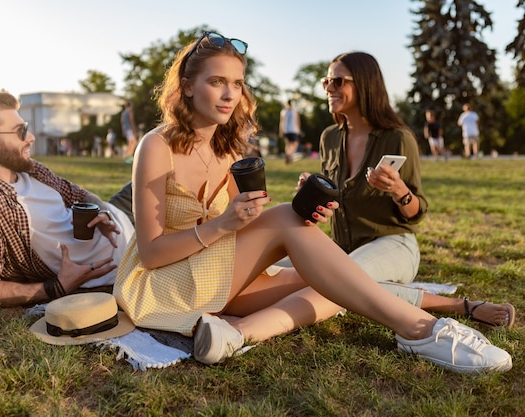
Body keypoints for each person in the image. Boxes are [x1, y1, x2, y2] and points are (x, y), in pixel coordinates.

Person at [113, 32, 512, 373]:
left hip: (214, 276)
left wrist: (291, 221)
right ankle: (420, 332)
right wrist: (227, 224)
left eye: (237, 83)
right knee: (294, 226)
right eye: (217, 81)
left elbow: (245, 233)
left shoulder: (230, 151)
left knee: (337, 280)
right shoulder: (156, 146)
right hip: (161, 285)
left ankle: (236, 334)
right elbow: (151, 254)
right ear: (187, 85)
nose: (230, 94)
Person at [291, 51, 513, 331]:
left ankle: (461, 306)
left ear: (365, 84)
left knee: (338, 281)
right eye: (326, 82)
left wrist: (399, 189)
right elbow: (333, 202)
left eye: (337, 81)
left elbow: (416, 212)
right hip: (342, 250)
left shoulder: (397, 138)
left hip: (394, 244)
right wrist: (311, 194)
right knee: (282, 271)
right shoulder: (329, 137)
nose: (329, 88)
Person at [0, 92, 134, 307]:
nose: (31, 137)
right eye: (21, 131)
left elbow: (76, 193)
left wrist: (101, 210)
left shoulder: (29, 168)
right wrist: (57, 287)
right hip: (130, 254)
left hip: (118, 214)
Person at [278, 99, 301, 163]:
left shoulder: (293, 111)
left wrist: (281, 131)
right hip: (290, 130)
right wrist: (281, 131)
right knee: (292, 144)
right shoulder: (285, 112)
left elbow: (297, 120)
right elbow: (282, 122)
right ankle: (289, 155)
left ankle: (288, 155)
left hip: (290, 130)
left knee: (290, 144)